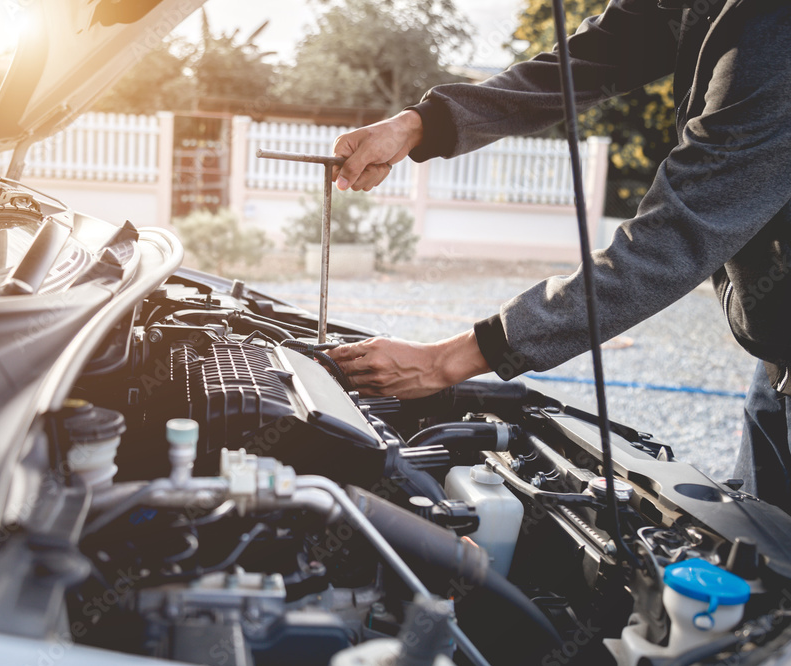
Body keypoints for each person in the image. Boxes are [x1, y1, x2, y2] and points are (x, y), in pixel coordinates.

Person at [325, 0, 791, 511]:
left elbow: (674, 235)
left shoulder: (776, 33)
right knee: (758, 545)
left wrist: (447, 360)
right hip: (777, 351)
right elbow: (598, 57)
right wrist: (420, 123)